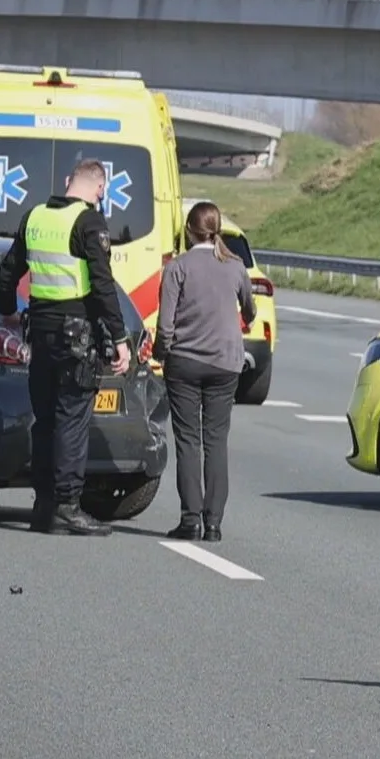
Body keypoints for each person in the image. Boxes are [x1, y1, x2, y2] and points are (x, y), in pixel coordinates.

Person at [0, 158, 130, 537]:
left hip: (40, 334)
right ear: (99, 188)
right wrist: (120, 339)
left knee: (46, 422)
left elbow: (8, 271)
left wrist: (6, 310)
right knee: (72, 420)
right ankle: (68, 506)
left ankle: (43, 506)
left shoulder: (35, 216)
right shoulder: (88, 222)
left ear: (69, 181)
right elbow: (102, 285)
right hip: (77, 338)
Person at [153, 202, 257, 542]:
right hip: (225, 363)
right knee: (216, 440)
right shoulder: (235, 266)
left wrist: (160, 353)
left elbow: (166, 325)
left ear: (188, 231)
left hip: (184, 362)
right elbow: (250, 309)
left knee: (188, 441)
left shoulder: (177, 268)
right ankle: (214, 523)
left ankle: (190, 519)